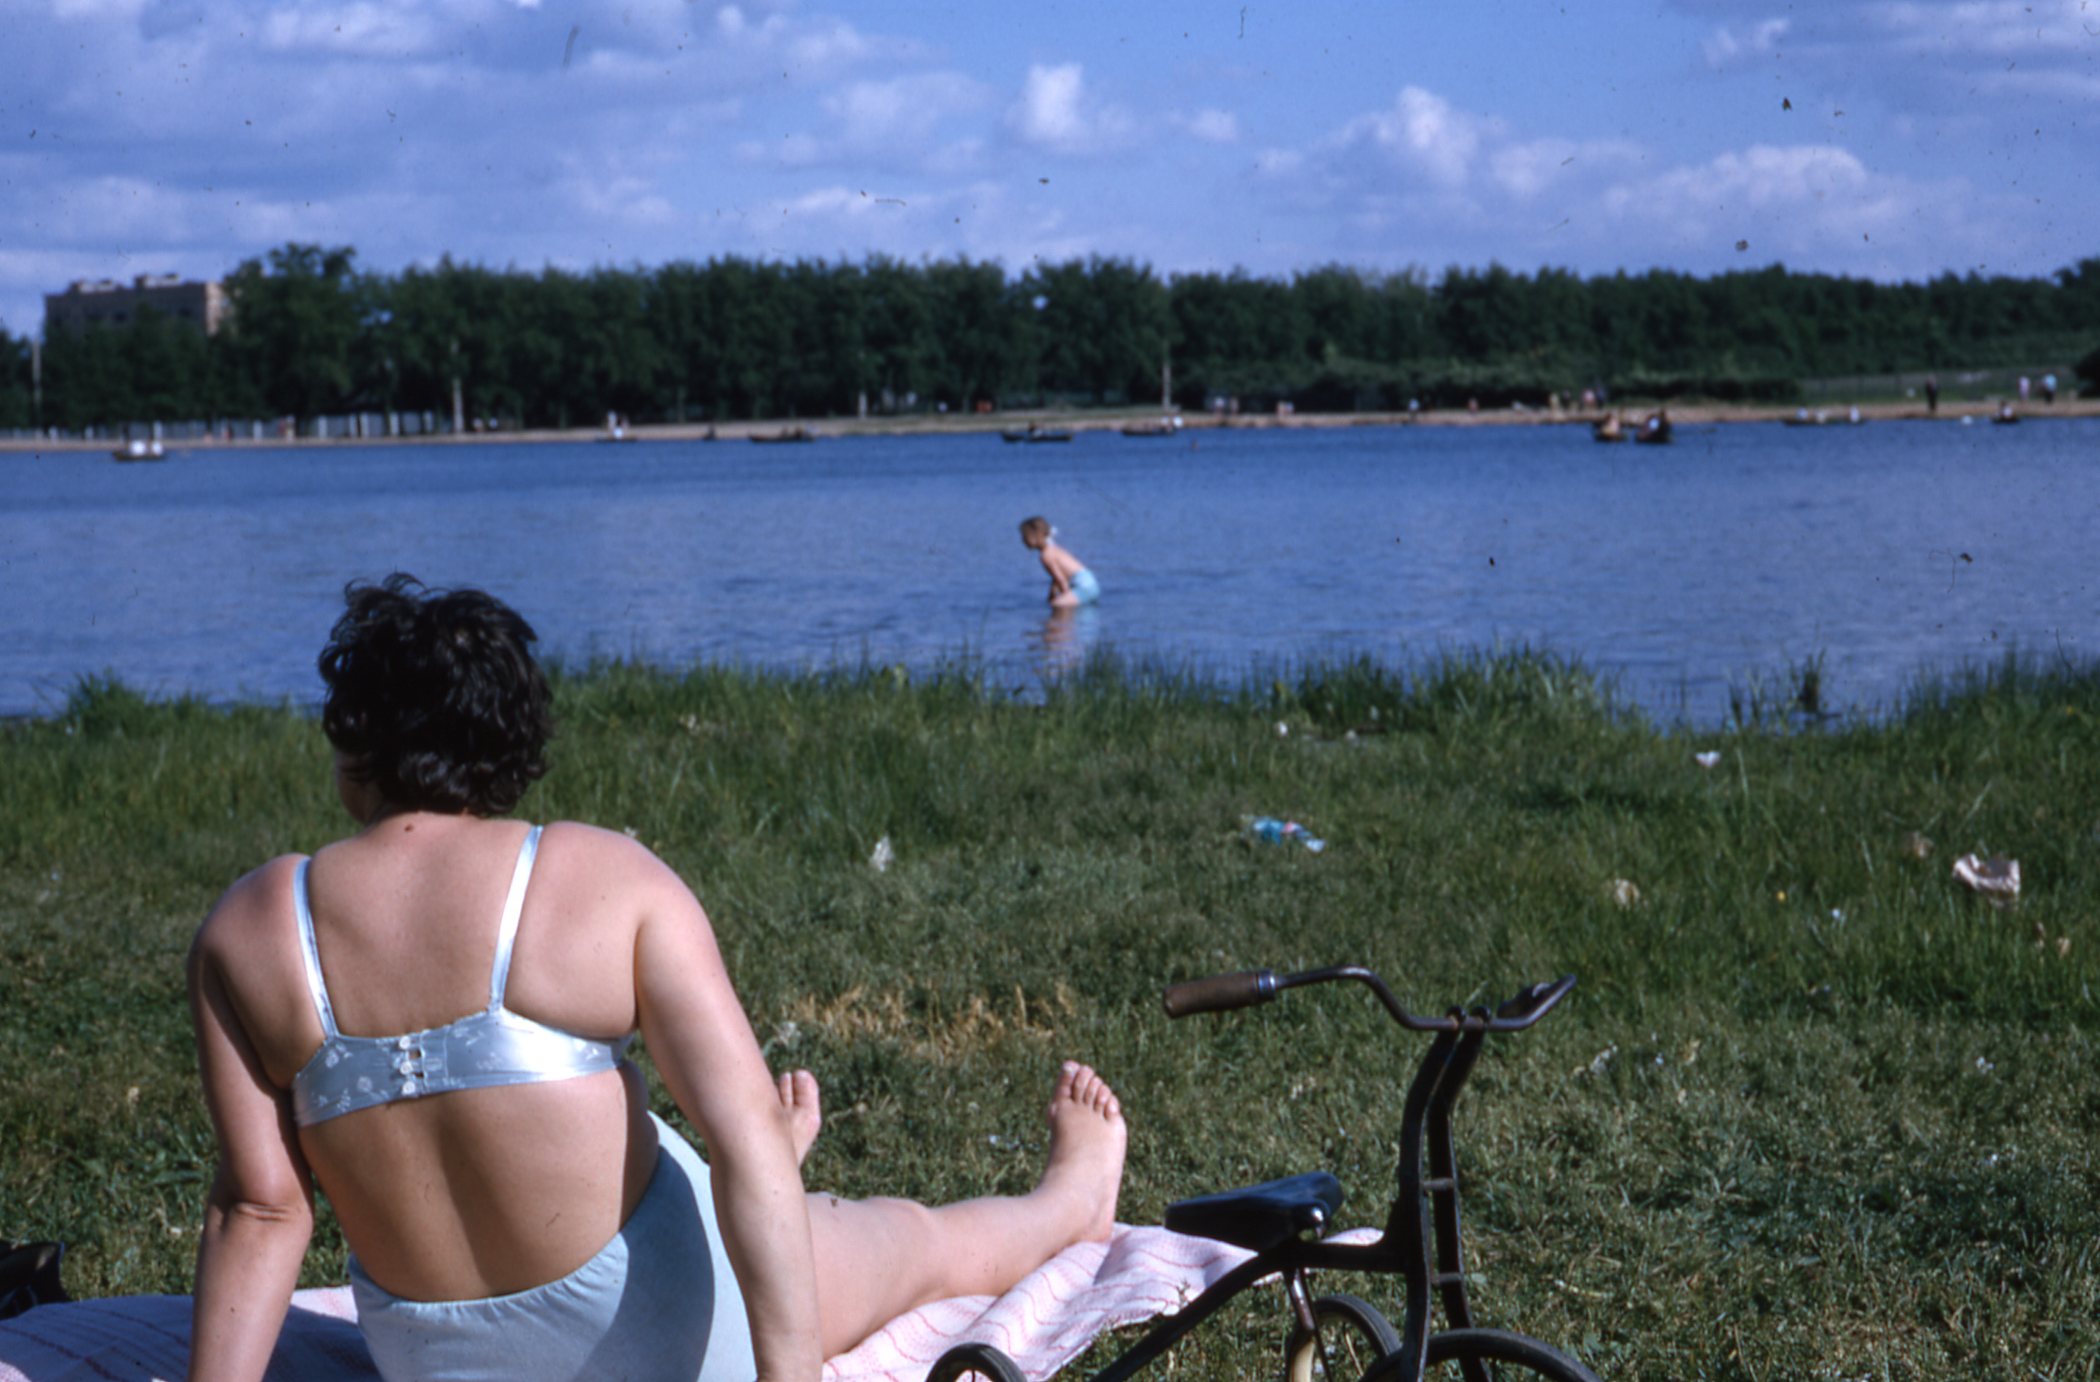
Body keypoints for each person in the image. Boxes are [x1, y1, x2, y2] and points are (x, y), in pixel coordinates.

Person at [185, 574, 1127, 1382]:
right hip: (670, 1340)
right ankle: (1065, 1205)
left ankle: (748, 1189)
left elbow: (259, 1208)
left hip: (436, 1362)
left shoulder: (249, 928)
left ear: (354, 749)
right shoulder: (601, 879)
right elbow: (741, 1134)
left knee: (741, 1162)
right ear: (507, 743)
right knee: (899, 1239)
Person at [1019, 516, 1100, 608]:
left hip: (1083, 587)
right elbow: (1056, 578)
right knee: (1055, 602)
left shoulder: (1046, 555)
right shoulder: (1052, 548)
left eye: (1024, 537)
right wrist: (1051, 594)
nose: (1023, 541)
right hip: (1090, 584)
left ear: (1036, 535)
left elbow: (1061, 580)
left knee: (1056, 606)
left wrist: (1066, 596)